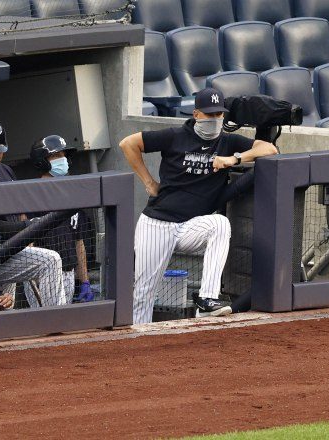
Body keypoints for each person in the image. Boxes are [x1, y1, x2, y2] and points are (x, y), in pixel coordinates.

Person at [119, 87, 278, 324]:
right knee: (144, 294)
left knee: (219, 224)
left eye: (219, 115)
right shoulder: (175, 136)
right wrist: (149, 181)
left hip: (190, 225)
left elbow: (269, 149)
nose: (215, 120)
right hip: (157, 224)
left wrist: (233, 159)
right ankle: (135, 344)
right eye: (209, 115)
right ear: (196, 115)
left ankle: (207, 300)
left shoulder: (227, 142)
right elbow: (128, 143)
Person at [0, 120, 68, 307]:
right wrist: (25, 228)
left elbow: (18, 209)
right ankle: (57, 318)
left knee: (3, 310)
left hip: (11, 246)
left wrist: (25, 232)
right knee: (50, 260)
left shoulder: (6, 170)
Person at [28, 135, 96, 302]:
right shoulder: (32, 195)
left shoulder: (71, 195)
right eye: (56, 156)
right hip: (43, 273)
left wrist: (85, 280)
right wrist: (34, 281)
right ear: (42, 161)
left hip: (68, 272)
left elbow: (78, 242)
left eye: (63, 155)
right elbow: (28, 244)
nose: (62, 159)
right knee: (45, 326)